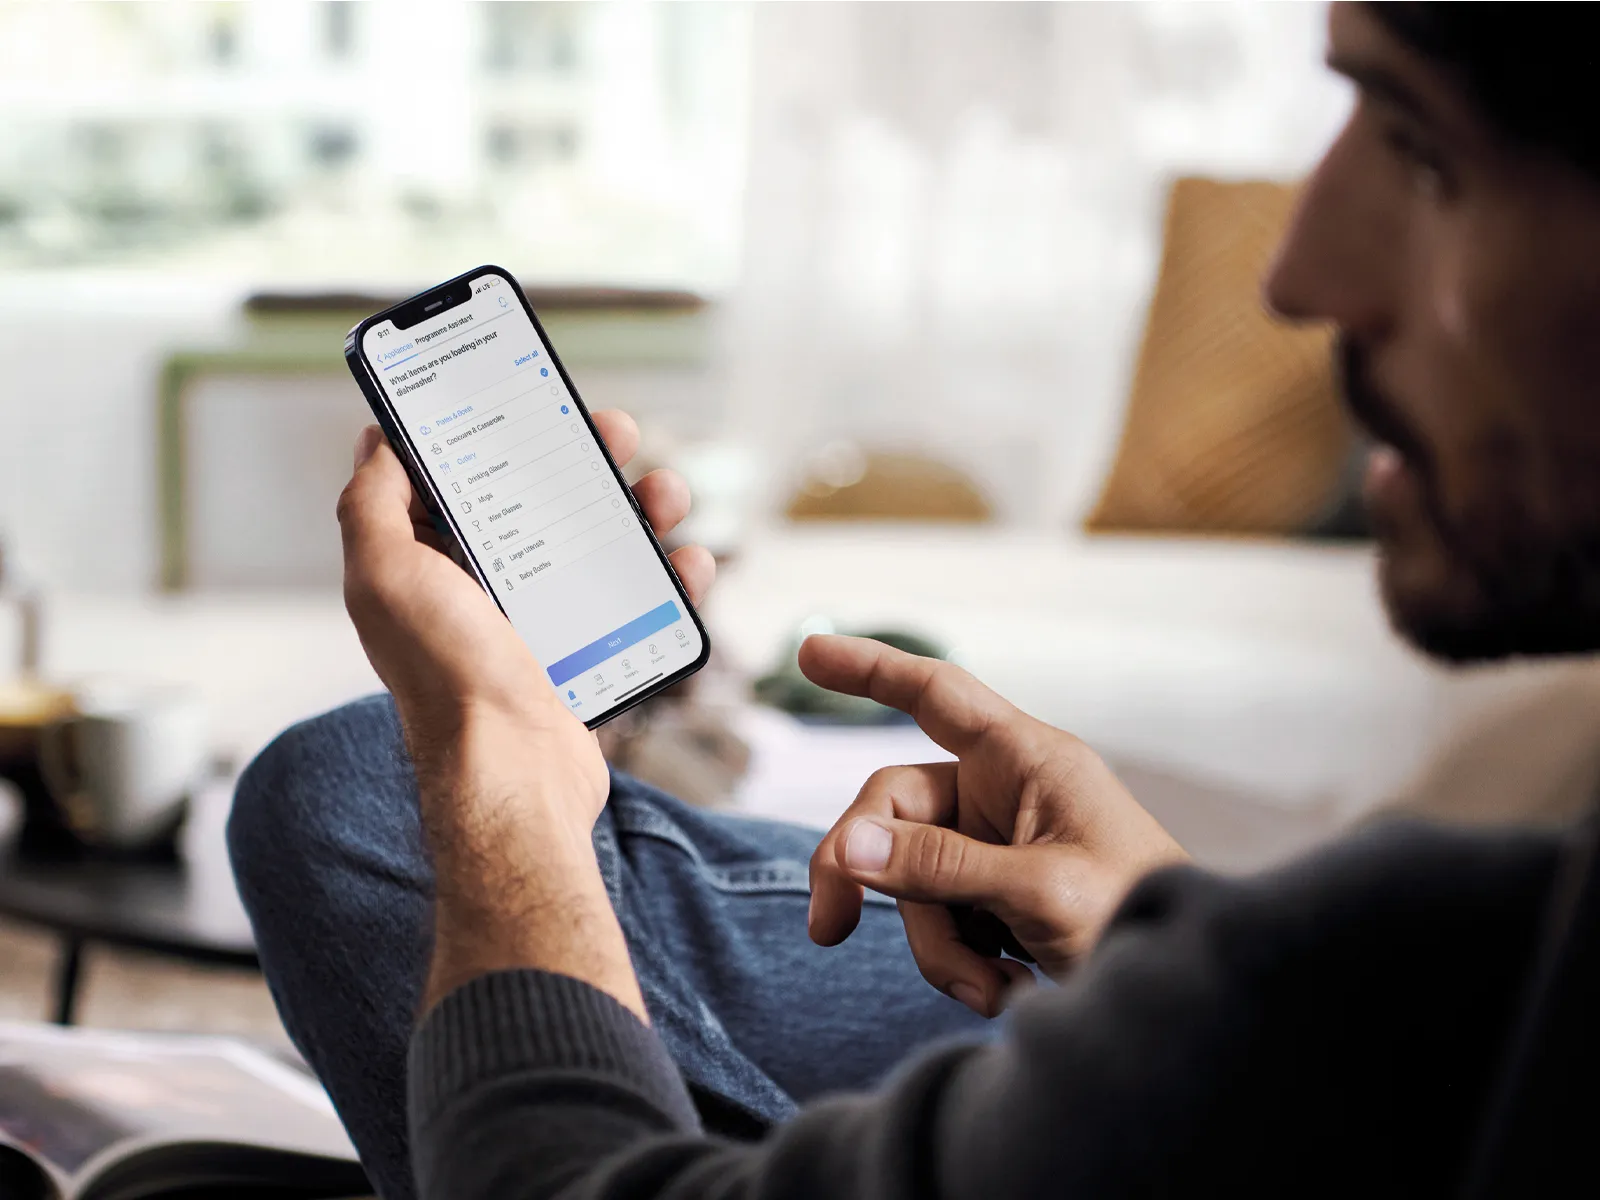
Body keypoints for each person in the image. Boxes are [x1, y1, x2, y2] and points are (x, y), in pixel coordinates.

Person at [227, 4, 1600, 1197]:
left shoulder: (1430, 947)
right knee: (343, 783)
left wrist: (506, 789)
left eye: (1422, 151)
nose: (1297, 278)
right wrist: (1154, 923)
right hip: (1191, 1004)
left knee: (403, 806)